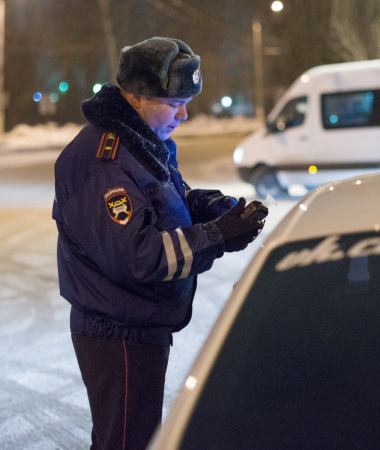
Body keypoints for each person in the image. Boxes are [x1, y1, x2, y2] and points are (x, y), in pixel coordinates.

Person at [52, 36, 268, 449]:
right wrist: (218, 236)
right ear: (135, 97)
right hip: (118, 332)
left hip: (137, 324)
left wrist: (212, 208)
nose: (184, 114)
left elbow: (167, 200)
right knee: (128, 442)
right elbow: (139, 256)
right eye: (174, 103)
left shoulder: (141, 142)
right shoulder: (105, 161)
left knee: (135, 437)